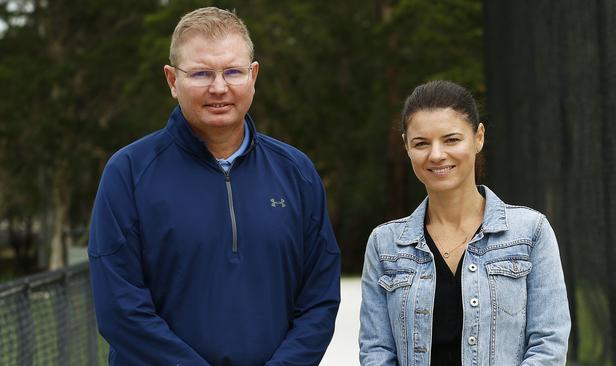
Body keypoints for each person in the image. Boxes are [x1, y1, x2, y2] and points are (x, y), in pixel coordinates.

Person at [88, 7, 340, 365]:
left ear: (253, 76)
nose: (219, 87)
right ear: (172, 80)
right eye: (201, 73)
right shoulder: (128, 173)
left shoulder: (296, 172)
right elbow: (120, 308)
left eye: (233, 71)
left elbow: (319, 298)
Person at [359, 80, 570, 365]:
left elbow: (548, 345)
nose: (436, 155)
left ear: (478, 137)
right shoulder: (384, 245)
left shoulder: (531, 232)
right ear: (406, 147)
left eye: (451, 139)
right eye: (421, 143)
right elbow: (376, 351)